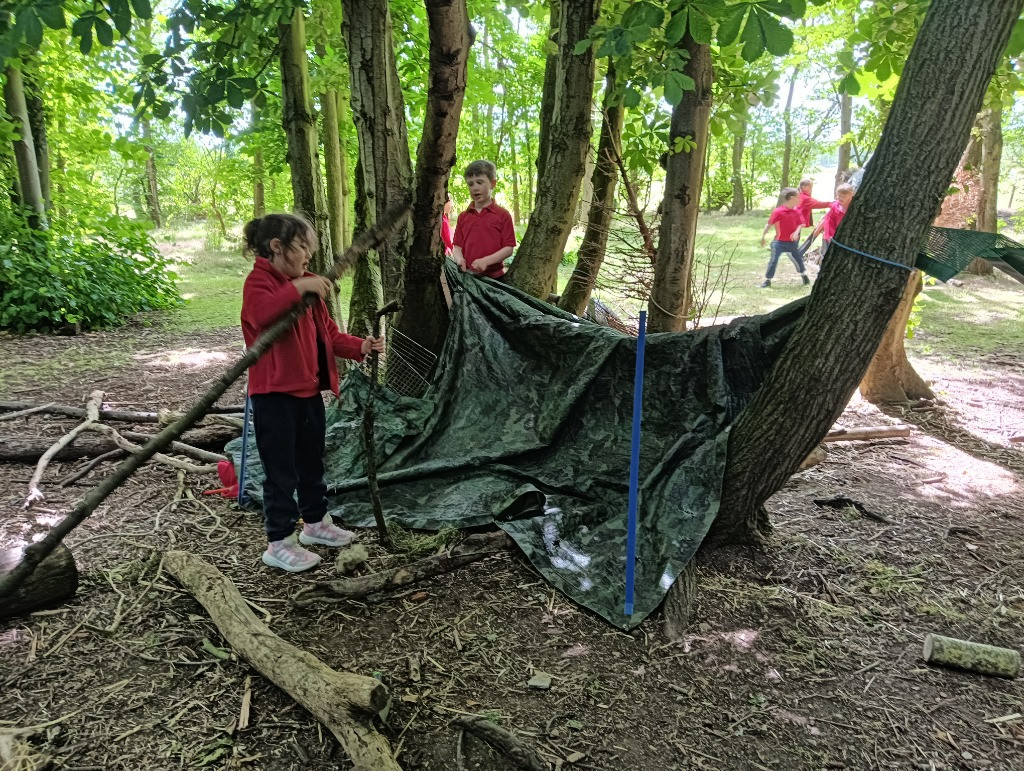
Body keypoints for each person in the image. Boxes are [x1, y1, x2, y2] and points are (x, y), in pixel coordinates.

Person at [241, 213, 385, 573]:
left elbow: (330, 335)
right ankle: (279, 542)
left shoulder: (307, 284)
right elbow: (260, 315)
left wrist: (361, 346)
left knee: (311, 462)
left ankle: (315, 523)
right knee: (280, 471)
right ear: (277, 247)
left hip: (307, 393)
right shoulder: (260, 283)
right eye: (303, 246)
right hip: (273, 396)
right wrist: (299, 289)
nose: (309, 255)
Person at [451, 159, 516, 279]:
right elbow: (457, 247)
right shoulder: (463, 217)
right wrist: (459, 259)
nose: (475, 188)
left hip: (495, 278)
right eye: (471, 184)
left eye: (480, 182)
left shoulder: (503, 215)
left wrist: (487, 261)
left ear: (492, 184)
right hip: (468, 277)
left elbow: (508, 248)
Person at [759, 188, 810, 288]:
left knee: (798, 259)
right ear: (791, 198)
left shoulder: (796, 212)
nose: (800, 199)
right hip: (778, 243)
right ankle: (768, 280)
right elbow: (769, 224)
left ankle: (804, 276)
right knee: (773, 260)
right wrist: (763, 237)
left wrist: (796, 232)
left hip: (792, 243)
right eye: (798, 197)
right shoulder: (778, 212)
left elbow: (800, 224)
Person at [811, 183, 855, 252]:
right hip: (831, 236)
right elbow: (829, 222)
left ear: (851, 196)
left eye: (844, 196)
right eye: (839, 196)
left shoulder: (854, 207)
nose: (841, 198)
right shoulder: (835, 207)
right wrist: (830, 236)